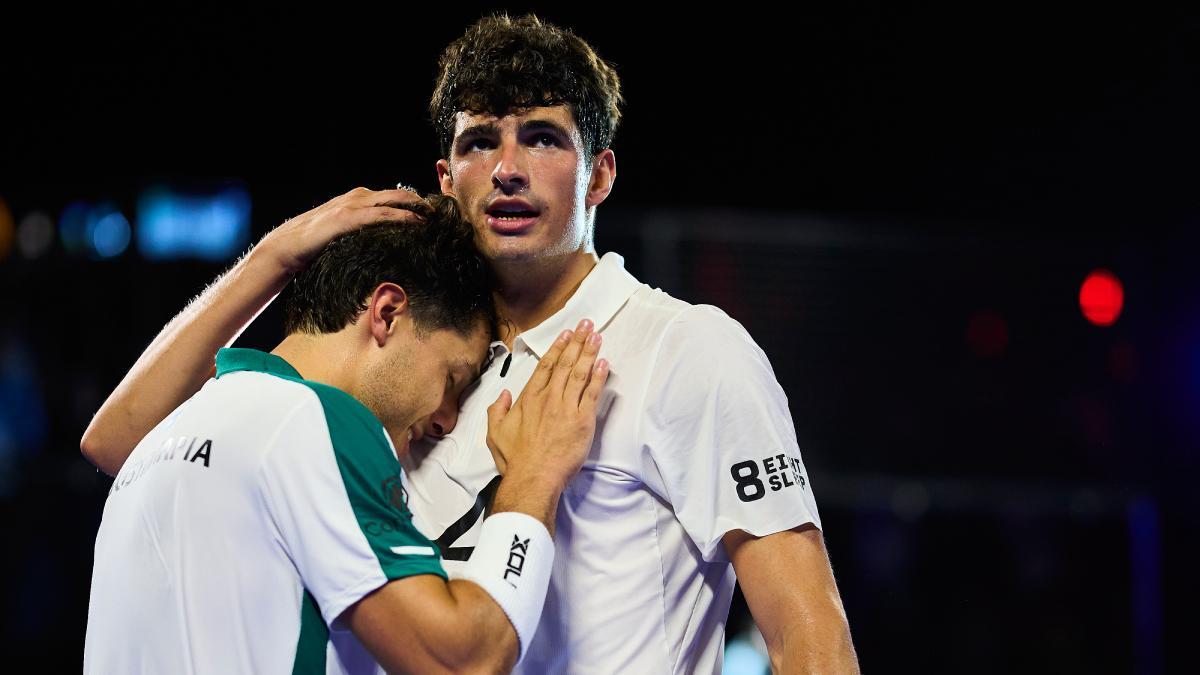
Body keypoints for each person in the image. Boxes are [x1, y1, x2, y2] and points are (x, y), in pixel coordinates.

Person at [83, 13, 860, 674]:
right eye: (481, 141)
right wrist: (273, 256)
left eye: (544, 139)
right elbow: (136, 443)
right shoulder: (404, 369)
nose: (509, 169)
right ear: (446, 177)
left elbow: (809, 639)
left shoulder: (688, 349)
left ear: (600, 176)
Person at [83, 195, 611, 674]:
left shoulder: (170, 430)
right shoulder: (320, 420)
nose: (446, 419)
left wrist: (273, 256)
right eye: (453, 378)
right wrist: (534, 476)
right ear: (387, 312)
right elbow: (463, 661)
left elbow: (108, 443)